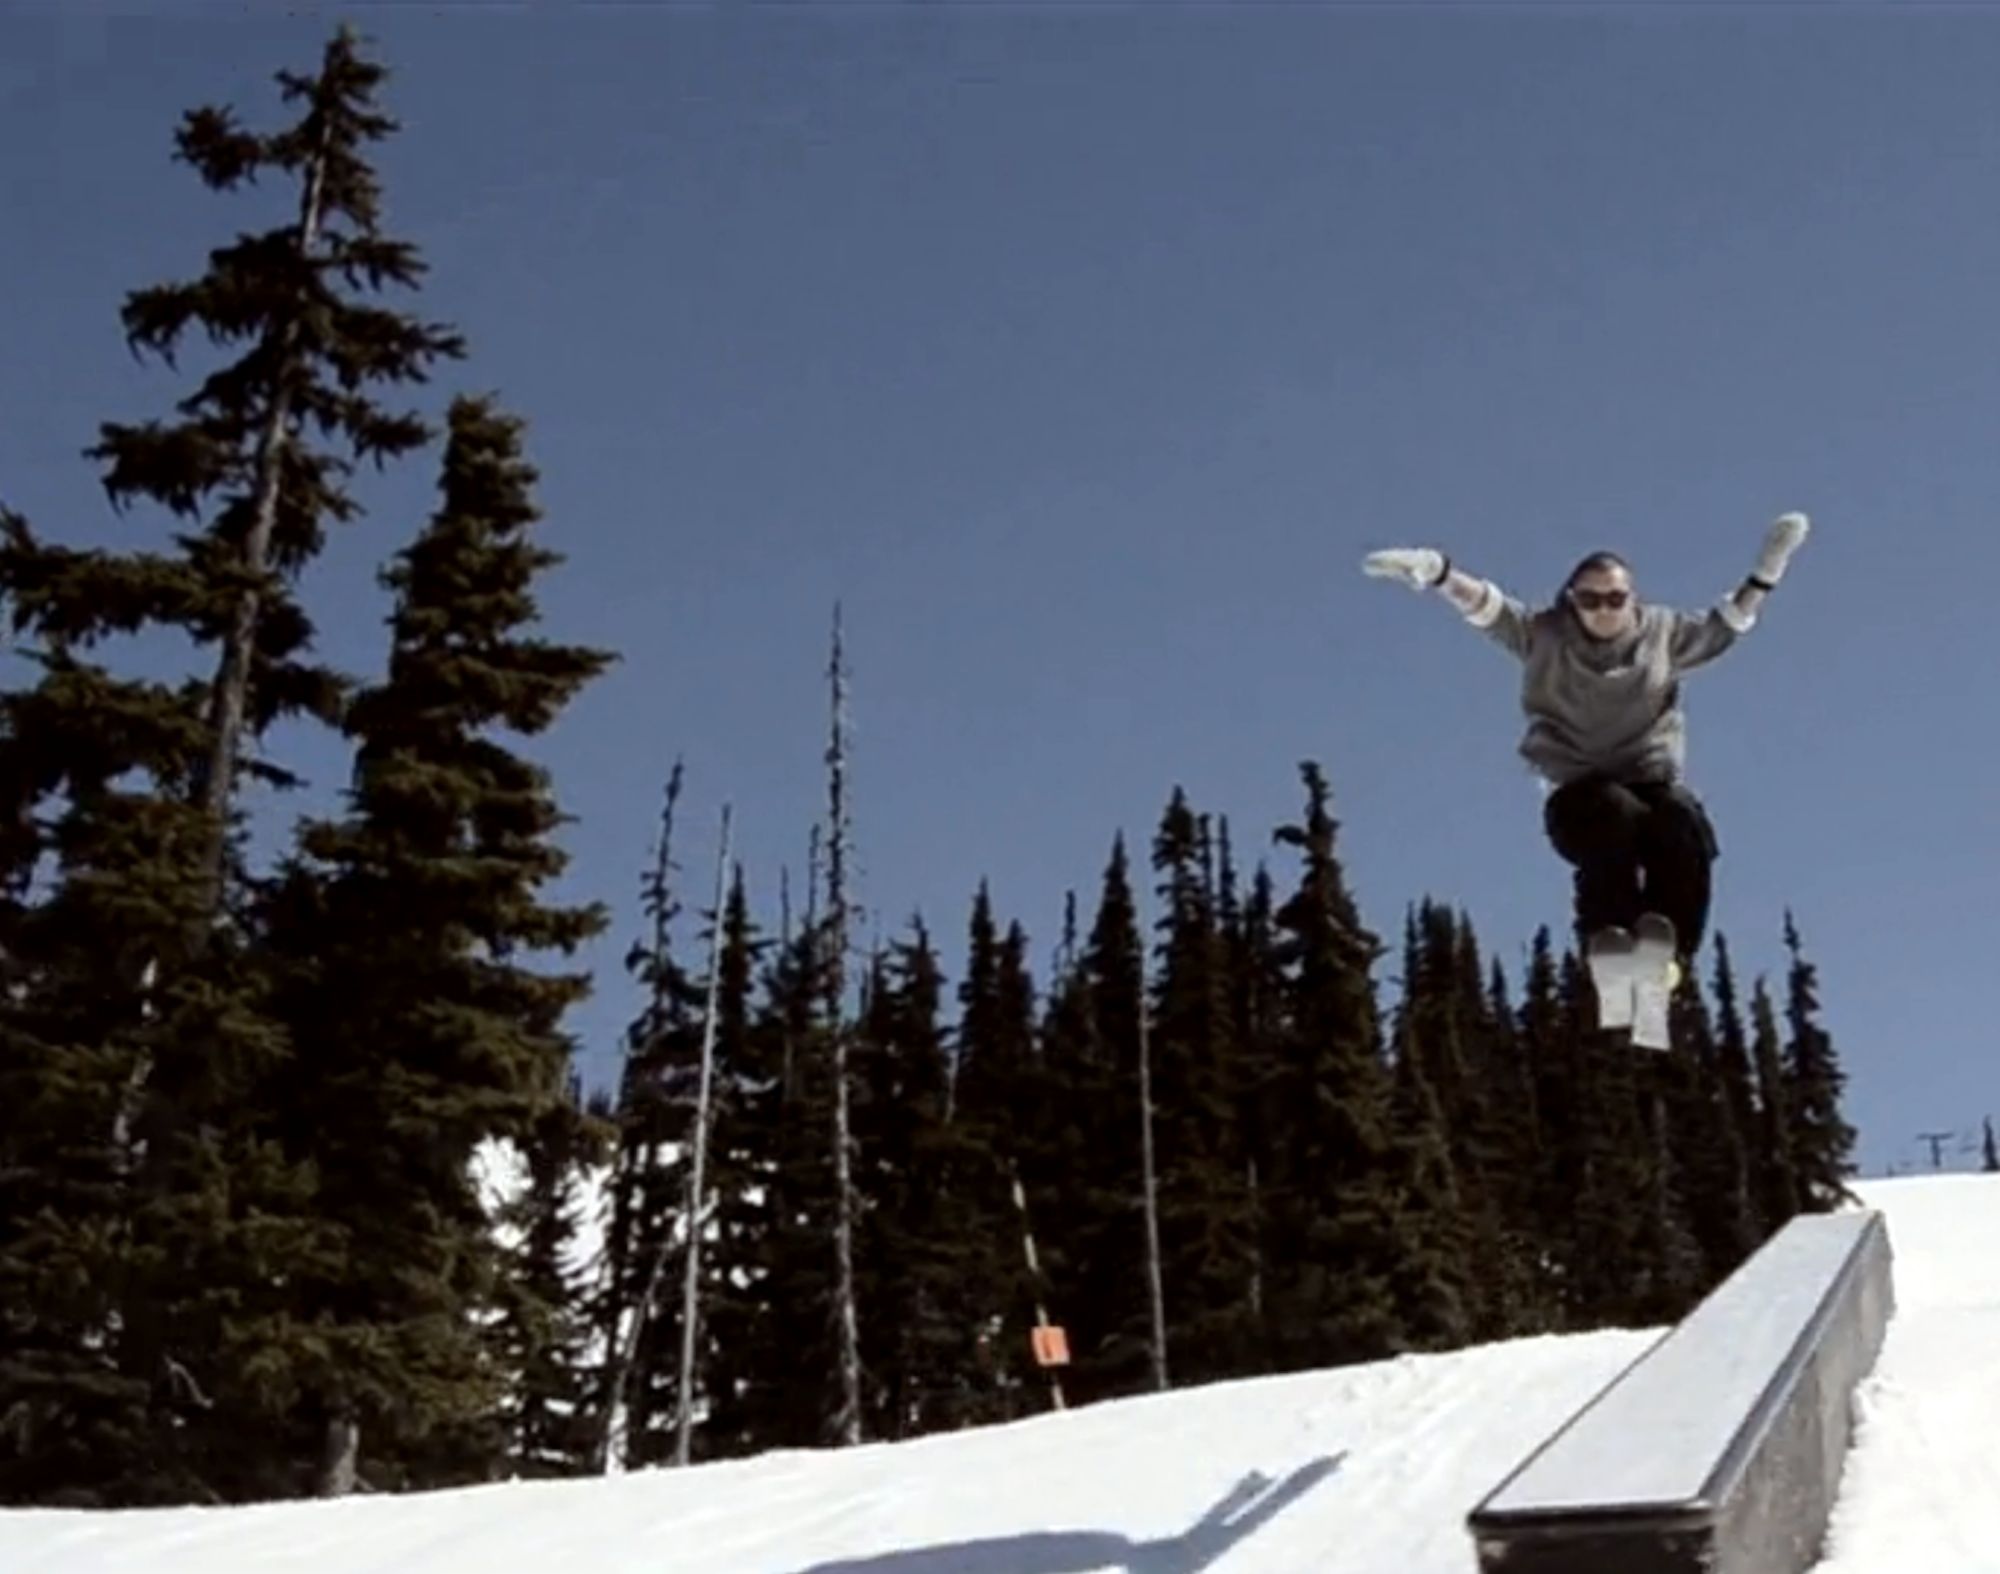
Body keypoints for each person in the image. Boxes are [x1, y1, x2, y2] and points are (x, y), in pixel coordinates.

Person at [1360, 513, 1809, 996]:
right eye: (1590, 600)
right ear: (1572, 601)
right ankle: (1608, 945)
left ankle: (1668, 958)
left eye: (1615, 599)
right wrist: (1438, 571)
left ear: (1631, 600)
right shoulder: (1545, 635)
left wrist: (1767, 571)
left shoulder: (1661, 632)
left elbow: (1727, 625)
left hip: (1651, 781)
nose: (1603, 611)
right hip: (1579, 795)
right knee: (1615, 813)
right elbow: (1486, 609)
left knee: (1683, 822)